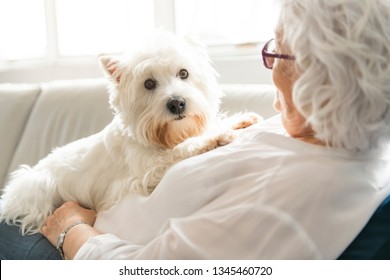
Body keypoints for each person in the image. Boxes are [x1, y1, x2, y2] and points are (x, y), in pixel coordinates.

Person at [1, 0, 390, 260]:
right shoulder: (315, 132)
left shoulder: (300, 196)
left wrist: (70, 229)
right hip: (46, 211)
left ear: (319, 75)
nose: (268, 65)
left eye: (276, 50)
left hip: (64, 245)